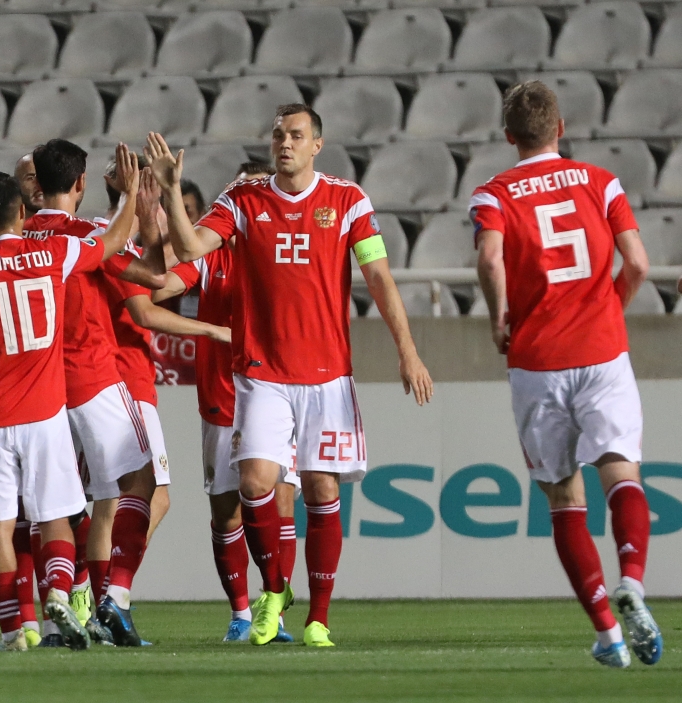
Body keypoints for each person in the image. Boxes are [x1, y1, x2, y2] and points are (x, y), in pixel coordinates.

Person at [146, 104, 434, 648]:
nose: (285, 143)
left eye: (296, 135)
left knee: (322, 489)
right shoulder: (243, 201)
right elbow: (189, 249)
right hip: (263, 373)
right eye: (278, 134)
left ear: (316, 145)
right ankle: (274, 588)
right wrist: (170, 190)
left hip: (327, 376)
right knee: (254, 482)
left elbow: (378, 276)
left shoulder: (347, 201)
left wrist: (408, 350)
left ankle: (319, 618)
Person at [470, 81, 662, 668]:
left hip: (538, 360)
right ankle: (632, 578)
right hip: (602, 350)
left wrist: (500, 314)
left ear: (509, 137)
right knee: (621, 469)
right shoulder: (602, 182)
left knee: (563, 499)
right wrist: (611, 305)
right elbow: (637, 262)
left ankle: (607, 635)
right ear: (563, 127)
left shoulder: (493, 194)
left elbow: (488, 257)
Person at [0, 162, 137, 652]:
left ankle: (16, 631)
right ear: (21, 210)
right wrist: (132, 192)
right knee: (55, 517)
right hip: (44, 411)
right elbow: (114, 241)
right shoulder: (52, 254)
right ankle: (59, 592)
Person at [154, 161, 301, 643]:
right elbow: (164, 287)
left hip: (279, 395)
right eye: (234, 193)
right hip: (221, 400)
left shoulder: (282, 251)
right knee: (226, 513)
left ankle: (273, 610)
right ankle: (241, 612)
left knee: (280, 504)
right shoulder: (209, 257)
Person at [24, 139, 162, 647]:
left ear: (36, 184)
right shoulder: (87, 236)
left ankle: (62, 605)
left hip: (38, 388)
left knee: (60, 505)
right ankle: (115, 601)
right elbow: (152, 276)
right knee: (139, 483)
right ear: (81, 184)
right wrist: (135, 201)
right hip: (93, 378)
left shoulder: (17, 241)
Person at [97, 164, 232, 548]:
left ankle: (91, 589)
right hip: (123, 380)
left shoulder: (99, 237)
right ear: (147, 195)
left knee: (107, 500)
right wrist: (212, 330)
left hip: (102, 380)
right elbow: (147, 304)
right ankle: (104, 589)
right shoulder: (119, 243)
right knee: (146, 496)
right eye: (165, 201)